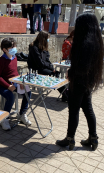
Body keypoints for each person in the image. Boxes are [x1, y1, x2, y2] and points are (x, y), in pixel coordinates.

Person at [56, 14, 103, 151]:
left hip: (78, 82)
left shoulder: (83, 43)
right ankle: (93, 138)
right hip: (88, 82)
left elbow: (81, 67)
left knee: (74, 110)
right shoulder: (96, 42)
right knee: (88, 109)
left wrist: (70, 73)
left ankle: (70, 138)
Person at [0, 38, 32, 131]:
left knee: (28, 91)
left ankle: (22, 114)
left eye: (14, 46)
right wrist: (8, 86)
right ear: (4, 49)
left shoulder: (14, 58)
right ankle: (4, 119)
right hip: (1, 85)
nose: (14, 48)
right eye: (12, 47)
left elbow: (15, 73)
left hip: (13, 83)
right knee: (11, 96)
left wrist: (20, 82)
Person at [28, 31, 68, 101]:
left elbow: (47, 59)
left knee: (56, 73)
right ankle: (66, 94)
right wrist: (51, 68)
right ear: (43, 39)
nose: (48, 40)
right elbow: (39, 62)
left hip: (43, 67)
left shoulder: (43, 47)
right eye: (47, 38)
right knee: (54, 75)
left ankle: (66, 94)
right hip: (37, 68)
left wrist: (52, 67)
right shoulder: (34, 48)